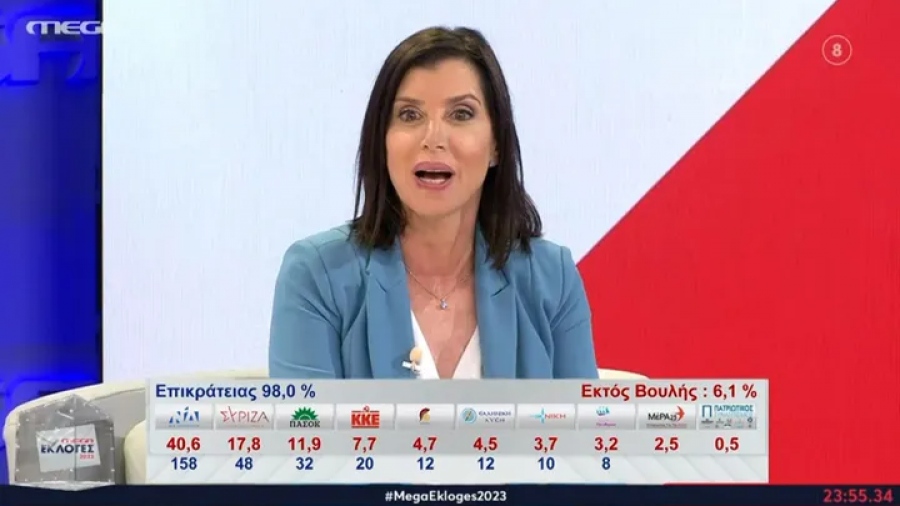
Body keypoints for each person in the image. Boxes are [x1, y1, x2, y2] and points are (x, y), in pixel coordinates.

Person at [269, 26, 598, 379]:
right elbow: (304, 417)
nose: (433, 138)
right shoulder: (317, 276)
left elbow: (585, 416)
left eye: (461, 114)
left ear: (496, 145)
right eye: (410, 115)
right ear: (382, 141)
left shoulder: (552, 279)